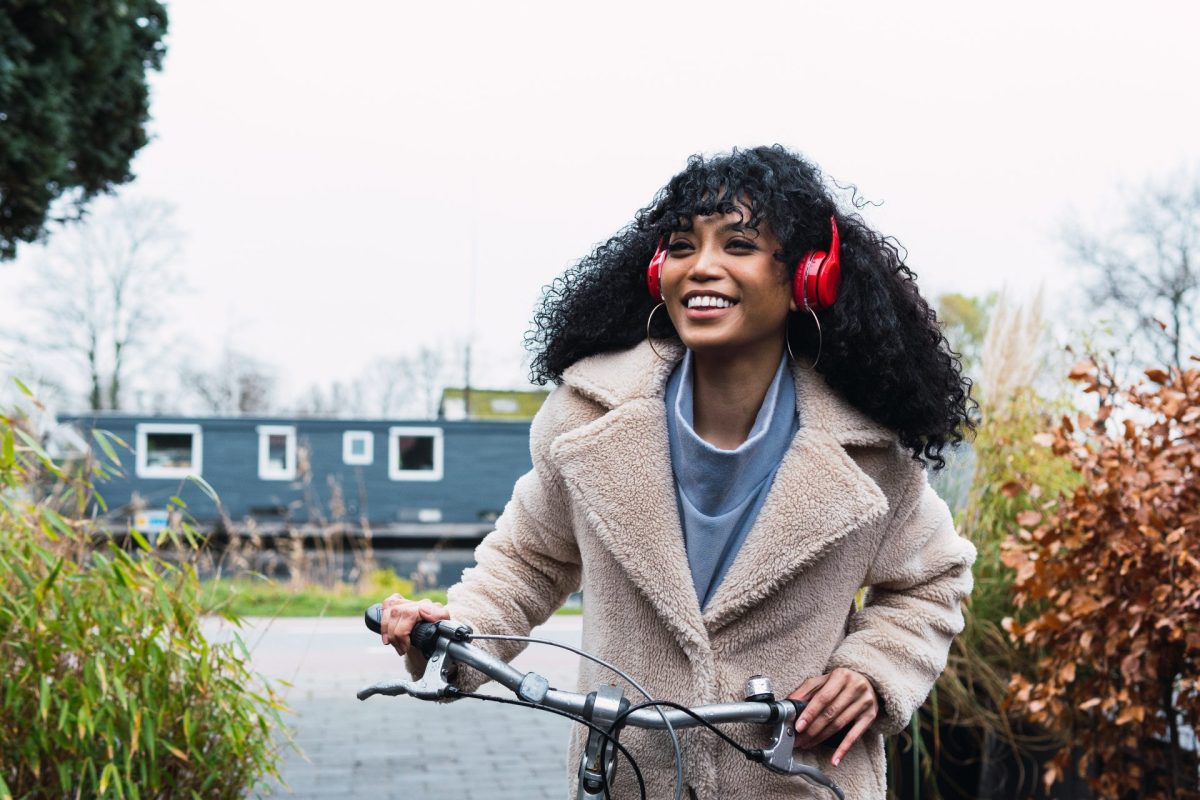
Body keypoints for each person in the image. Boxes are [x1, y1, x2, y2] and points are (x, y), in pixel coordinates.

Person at [380, 145, 977, 799]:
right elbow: (526, 562)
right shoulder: (583, 420)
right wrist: (451, 631)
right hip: (630, 778)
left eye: (739, 245)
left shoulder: (867, 450)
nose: (703, 268)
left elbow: (932, 582)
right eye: (684, 247)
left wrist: (871, 671)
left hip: (801, 781)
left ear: (809, 275)